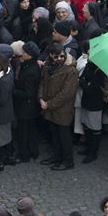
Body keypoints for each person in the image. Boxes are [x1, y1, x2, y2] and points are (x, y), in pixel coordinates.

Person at [40, 42, 80, 170]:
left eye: (62, 56)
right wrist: (40, 98)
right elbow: (42, 83)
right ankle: (56, 157)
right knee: (54, 135)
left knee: (64, 136)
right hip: (49, 106)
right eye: (56, 57)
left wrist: (49, 104)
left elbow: (67, 93)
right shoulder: (47, 65)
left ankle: (68, 161)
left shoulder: (71, 70)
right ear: (50, 55)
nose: (59, 59)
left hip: (62, 108)